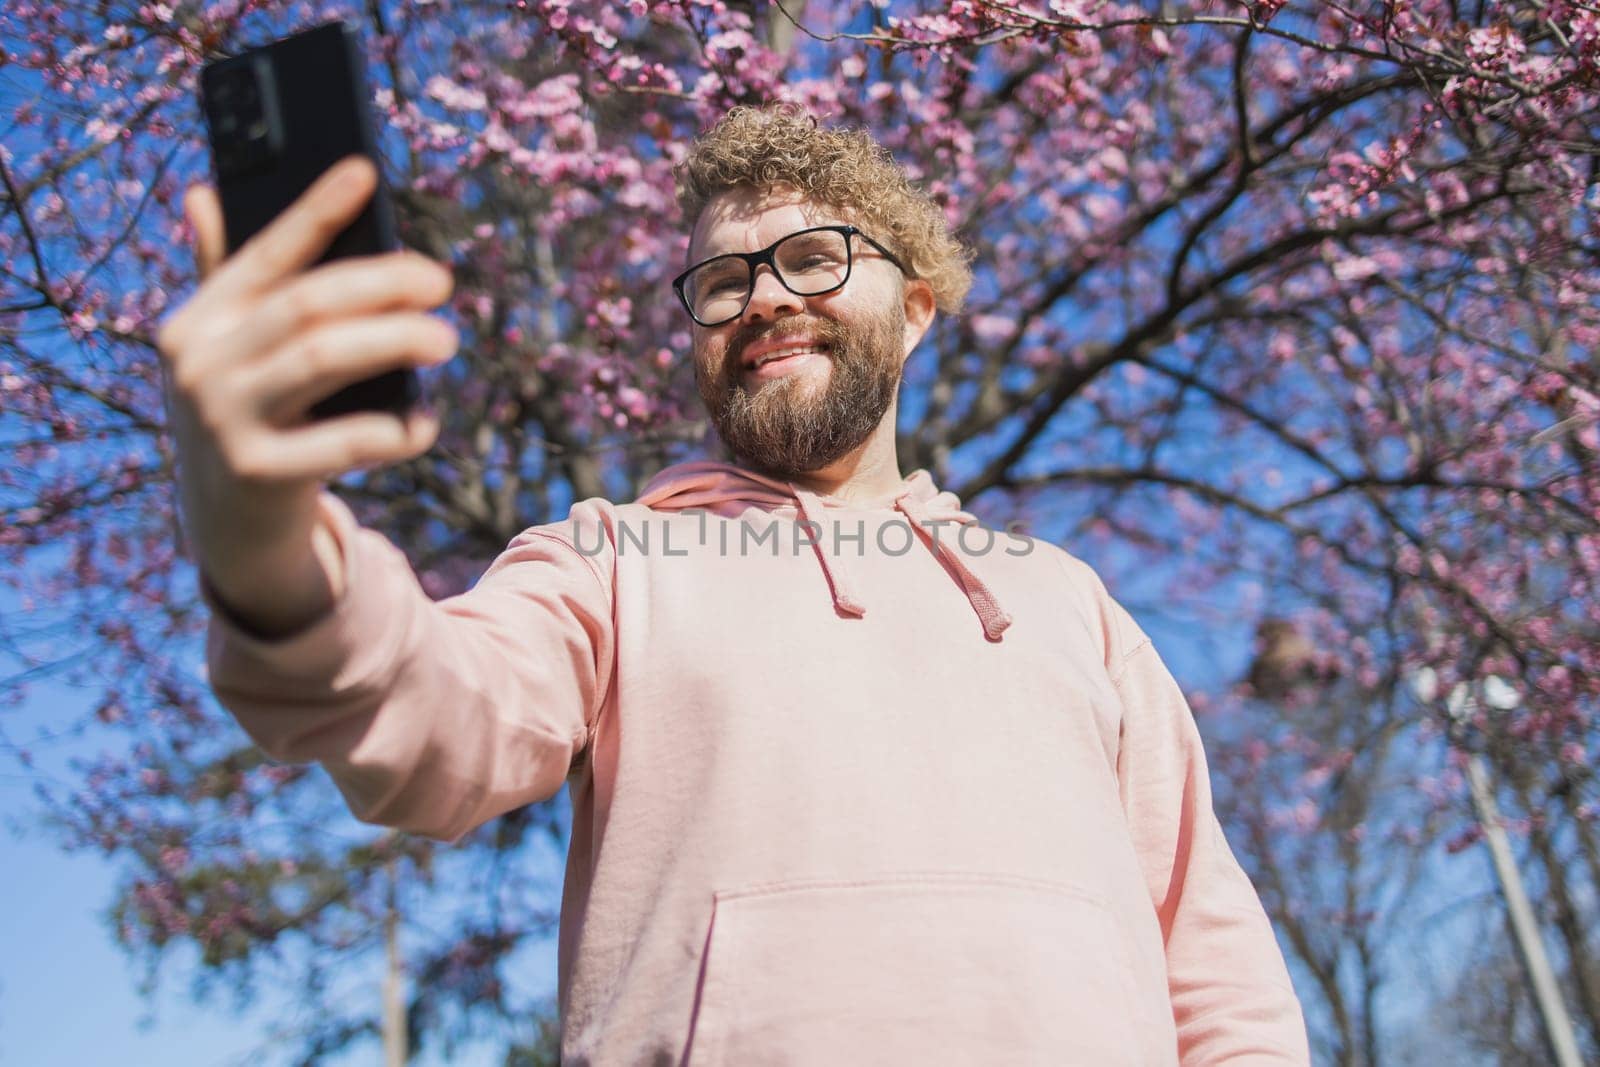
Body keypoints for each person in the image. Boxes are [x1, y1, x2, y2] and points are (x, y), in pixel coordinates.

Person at [160, 103, 1311, 1065]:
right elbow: (434, 716)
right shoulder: (606, 562)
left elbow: (1216, 974)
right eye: (722, 281)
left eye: (813, 260)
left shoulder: (1072, 604)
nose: (762, 298)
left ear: (914, 310)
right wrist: (265, 535)